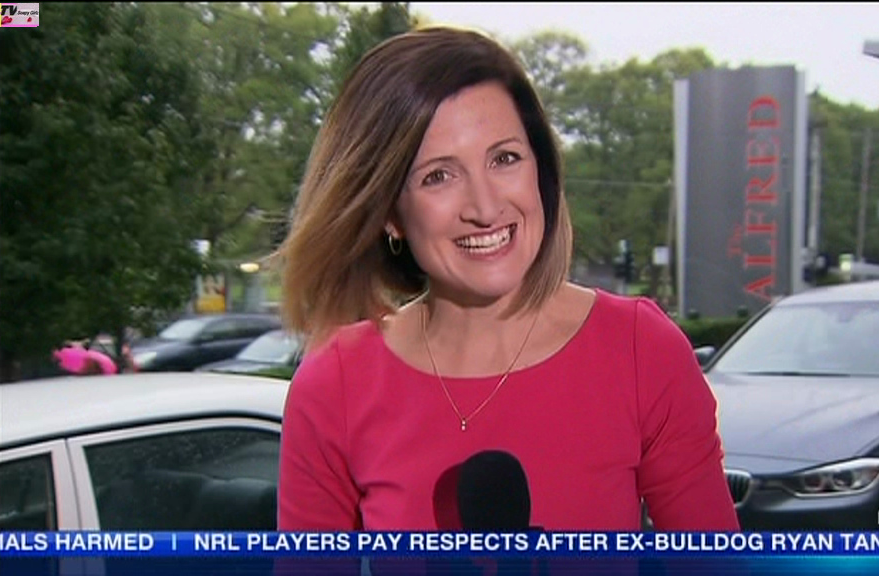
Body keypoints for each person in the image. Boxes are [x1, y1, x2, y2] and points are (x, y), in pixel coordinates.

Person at [275, 26, 738, 532]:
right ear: (389, 213)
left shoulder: (639, 350)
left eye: (504, 158)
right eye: (438, 176)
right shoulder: (335, 385)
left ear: (540, 170)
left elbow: (711, 561)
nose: (486, 207)